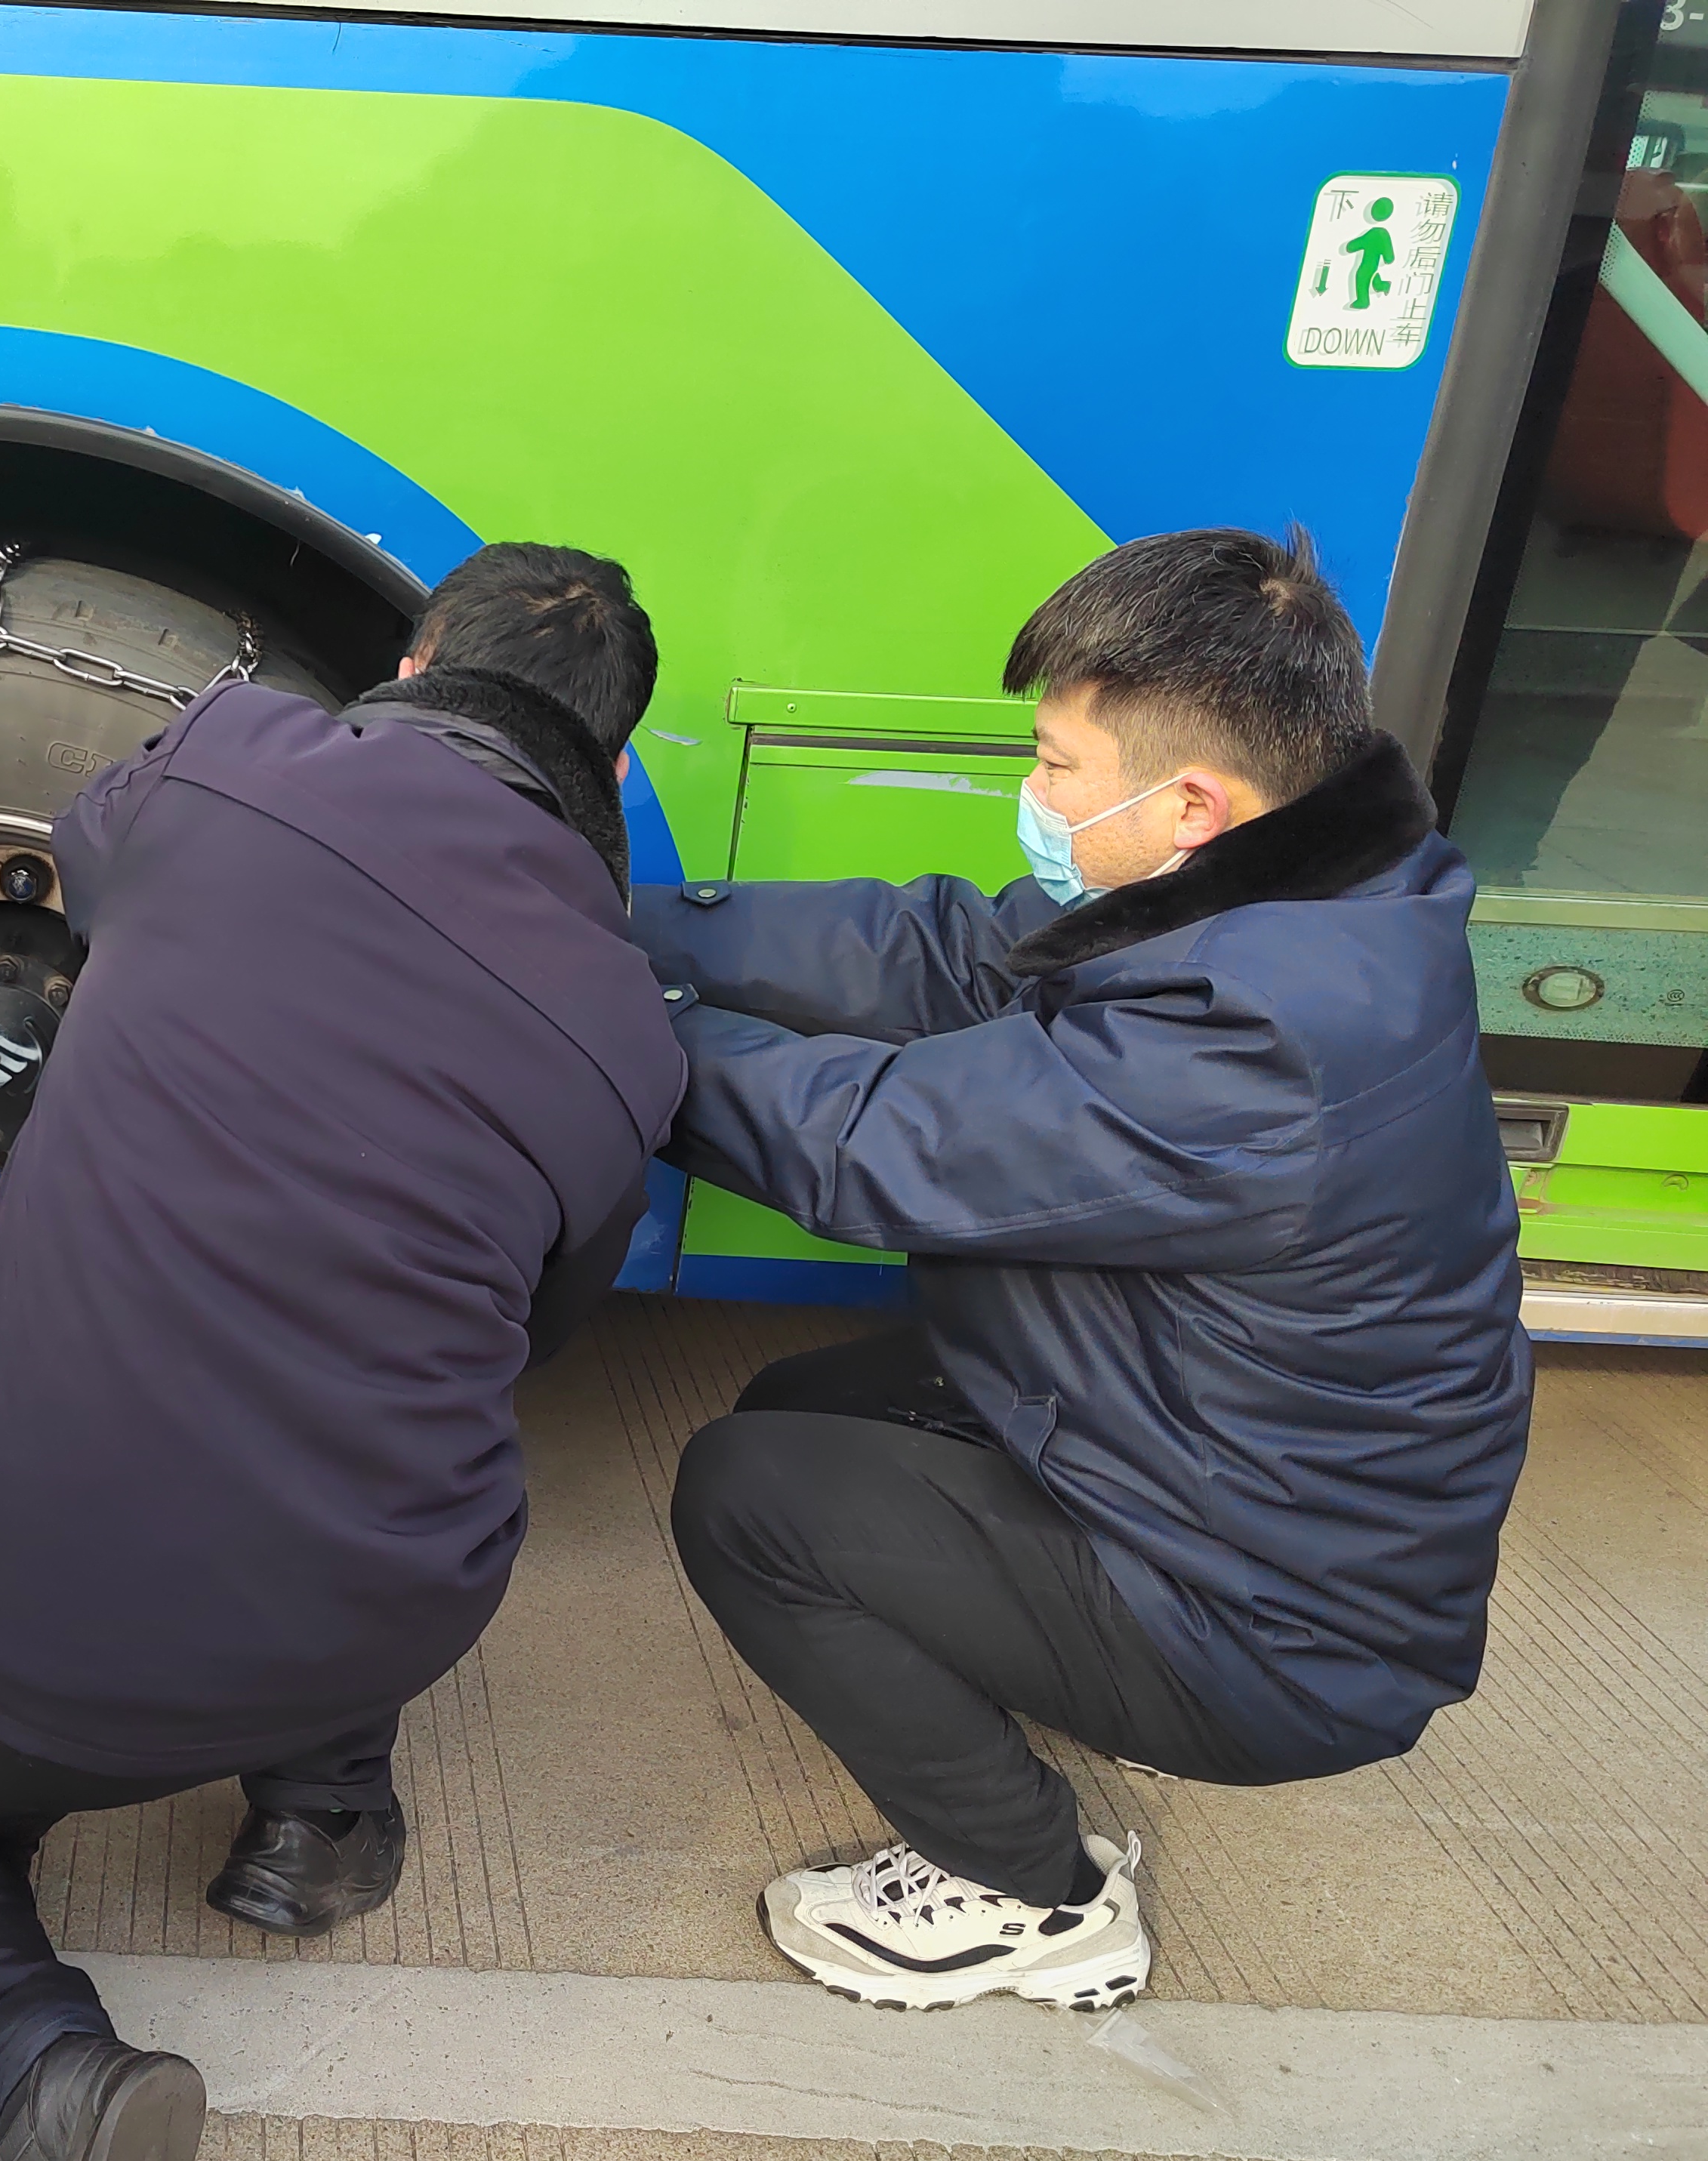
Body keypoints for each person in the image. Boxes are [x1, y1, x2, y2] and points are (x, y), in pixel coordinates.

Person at [0, 544, 685, 2161]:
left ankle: (27, 2073)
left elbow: (81, 865)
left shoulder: (228, 761)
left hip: (23, 1606)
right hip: (369, 1608)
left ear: (416, 669)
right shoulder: (629, 1028)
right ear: (614, 768)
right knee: (384, 1403)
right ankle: (314, 1827)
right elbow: (537, 1330)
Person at [634, 527, 1531, 2015]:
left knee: (753, 1497)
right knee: (807, 1406)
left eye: (1055, 766)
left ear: (1188, 802)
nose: (1034, 796)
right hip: (1249, 1489)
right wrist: (614, 918)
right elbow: (944, 951)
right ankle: (1046, 1670)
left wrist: (586, 1011)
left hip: (1283, 1631)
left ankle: (1027, 1893)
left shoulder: (1263, 1036)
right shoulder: (1292, 899)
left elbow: (866, 1147)